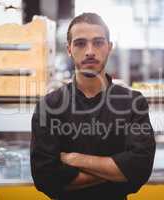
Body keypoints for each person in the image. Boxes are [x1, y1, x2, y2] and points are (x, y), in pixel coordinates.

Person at [30, 12, 156, 200]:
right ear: (69, 49)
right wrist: (117, 171)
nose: (90, 51)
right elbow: (45, 178)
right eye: (80, 43)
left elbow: (140, 168)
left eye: (98, 42)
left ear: (109, 47)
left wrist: (75, 160)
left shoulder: (133, 103)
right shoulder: (49, 106)